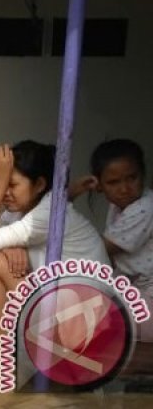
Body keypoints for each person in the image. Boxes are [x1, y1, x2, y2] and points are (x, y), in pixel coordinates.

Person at [0, 140, 109, 365]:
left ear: (39, 185)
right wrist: (8, 245)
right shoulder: (22, 210)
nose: (6, 194)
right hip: (59, 309)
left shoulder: (48, 213)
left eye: (12, 185)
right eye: (4, 186)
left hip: (84, 325)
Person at [71, 138, 153, 341]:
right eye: (113, 182)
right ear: (98, 185)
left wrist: (69, 198)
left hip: (146, 300)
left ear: (143, 174)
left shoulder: (145, 207)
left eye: (132, 178)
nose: (124, 188)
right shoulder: (119, 206)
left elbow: (98, 249)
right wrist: (71, 193)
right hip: (131, 291)